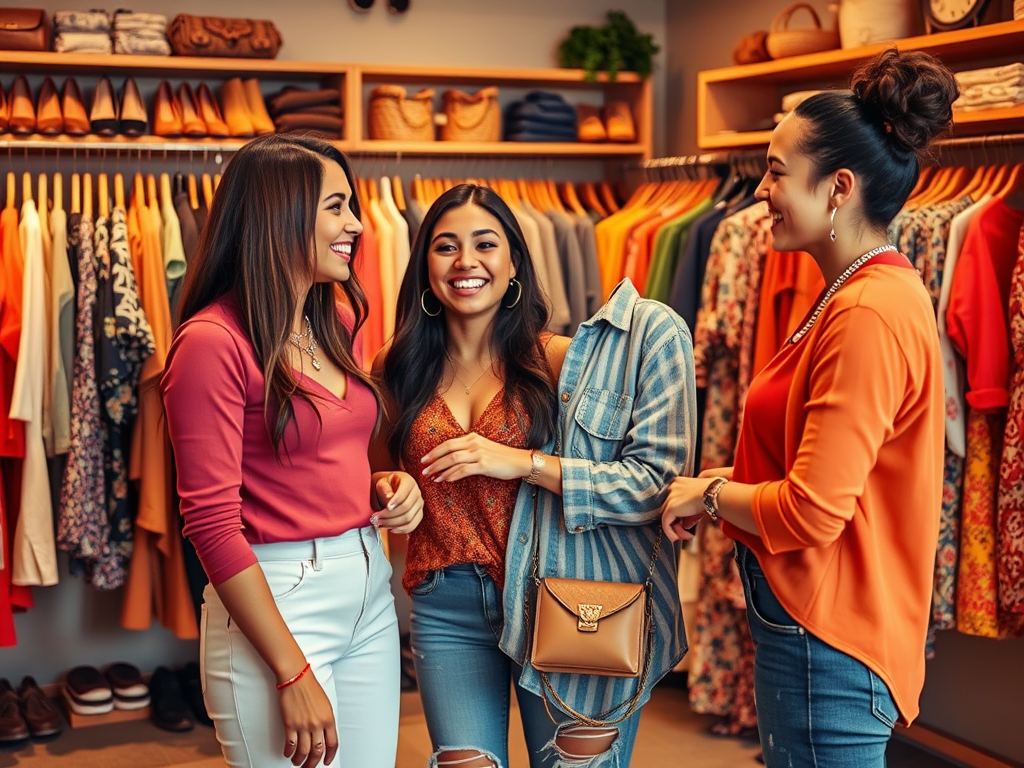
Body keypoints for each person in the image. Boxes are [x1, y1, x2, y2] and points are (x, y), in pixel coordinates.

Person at [660, 48, 956, 768]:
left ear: (839, 188)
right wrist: (717, 490)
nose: (760, 190)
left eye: (775, 171)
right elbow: (813, 463)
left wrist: (710, 491)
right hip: (820, 628)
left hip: (833, 641)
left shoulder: (866, 311)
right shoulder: (853, 294)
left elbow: (814, 511)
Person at [375, 183, 696, 768]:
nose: (466, 262)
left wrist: (519, 461)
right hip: (448, 605)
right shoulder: (397, 367)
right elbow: (380, 467)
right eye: (446, 247)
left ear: (514, 262)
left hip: (560, 596)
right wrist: (392, 489)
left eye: (485, 244)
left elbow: (636, 480)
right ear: (424, 267)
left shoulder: (560, 362)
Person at [161, 133, 423, 768]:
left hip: (368, 585)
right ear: (280, 212)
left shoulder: (326, 321)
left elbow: (321, 457)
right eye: (336, 207)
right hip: (279, 601)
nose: (357, 225)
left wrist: (383, 485)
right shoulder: (211, 343)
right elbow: (211, 524)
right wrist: (289, 670)